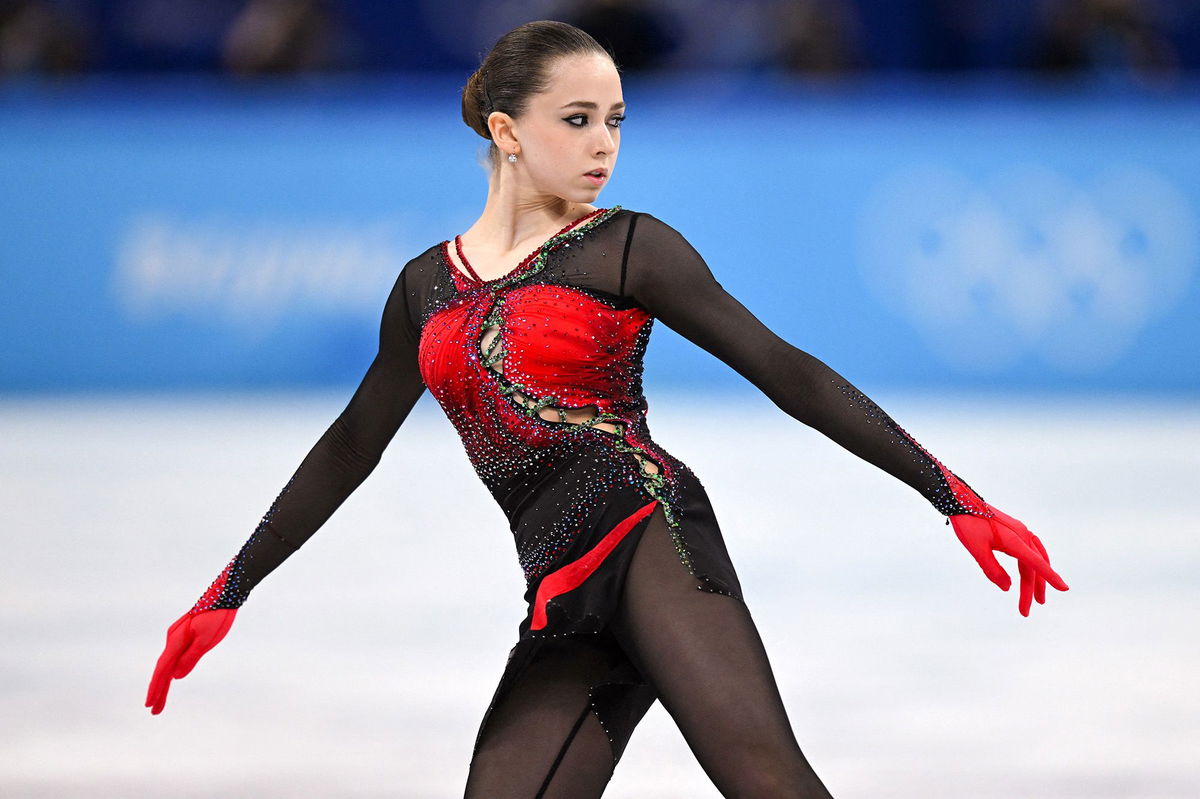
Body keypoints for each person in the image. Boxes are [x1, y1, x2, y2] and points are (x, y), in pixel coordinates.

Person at [145, 20, 1069, 798]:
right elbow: (351, 444)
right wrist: (231, 588)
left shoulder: (629, 248)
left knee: (768, 780)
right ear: (507, 131)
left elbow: (788, 371)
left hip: (649, 537)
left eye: (615, 122)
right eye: (577, 120)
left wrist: (957, 498)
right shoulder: (424, 288)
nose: (604, 145)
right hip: (559, 588)